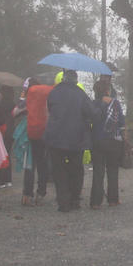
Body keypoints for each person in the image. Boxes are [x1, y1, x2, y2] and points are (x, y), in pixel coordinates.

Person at [45, 69, 93, 212]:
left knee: (59, 171)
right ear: (76, 80)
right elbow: (91, 112)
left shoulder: (53, 93)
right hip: (76, 138)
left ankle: (63, 202)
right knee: (76, 170)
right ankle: (74, 200)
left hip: (55, 138)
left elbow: (50, 109)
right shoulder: (80, 94)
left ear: (63, 79)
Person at [89, 78, 126, 209]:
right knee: (112, 170)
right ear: (107, 90)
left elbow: (90, 119)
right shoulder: (115, 104)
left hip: (98, 140)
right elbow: (122, 123)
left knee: (98, 171)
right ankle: (113, 200)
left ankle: (95, 202)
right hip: (113, 141)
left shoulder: (93, 104)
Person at [22, 76, 54, 206]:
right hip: (45, 132)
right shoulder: (47, 92)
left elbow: (16, 111)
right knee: (43, 163)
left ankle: (27, 194)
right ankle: (41, 192)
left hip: (31, 132)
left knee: (30, 164)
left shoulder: (29, 94)